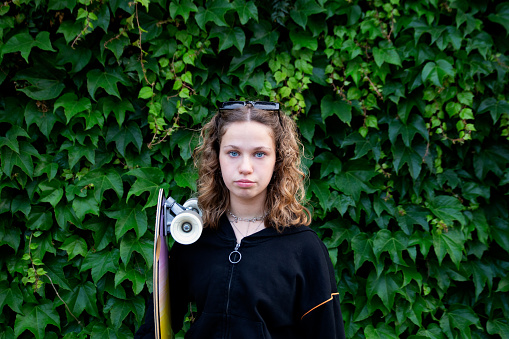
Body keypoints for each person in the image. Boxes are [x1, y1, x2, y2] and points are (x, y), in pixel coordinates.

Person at [135, 101, 346, 339]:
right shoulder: (197, 238)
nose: (245, 167)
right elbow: (155, 327)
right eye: (233, 152)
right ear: (217, 157)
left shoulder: (305, 249)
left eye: (259, 154)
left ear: (278, 160)